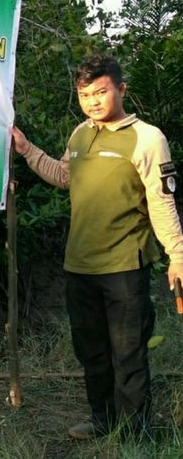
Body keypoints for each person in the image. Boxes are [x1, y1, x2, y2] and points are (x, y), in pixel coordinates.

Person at [12, 53, 183, 440]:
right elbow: (63, 176)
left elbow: (161, 200)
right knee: (92, 352)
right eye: (85, 94)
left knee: (129, 355)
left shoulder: (147, 138)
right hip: (80, 265)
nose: (93, 100)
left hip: (125, 265)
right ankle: (104, 420)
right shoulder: (80, 134)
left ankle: (135, 433)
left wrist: (178, 255)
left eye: (101, 91)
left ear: (121, 89)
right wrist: (25, 149)